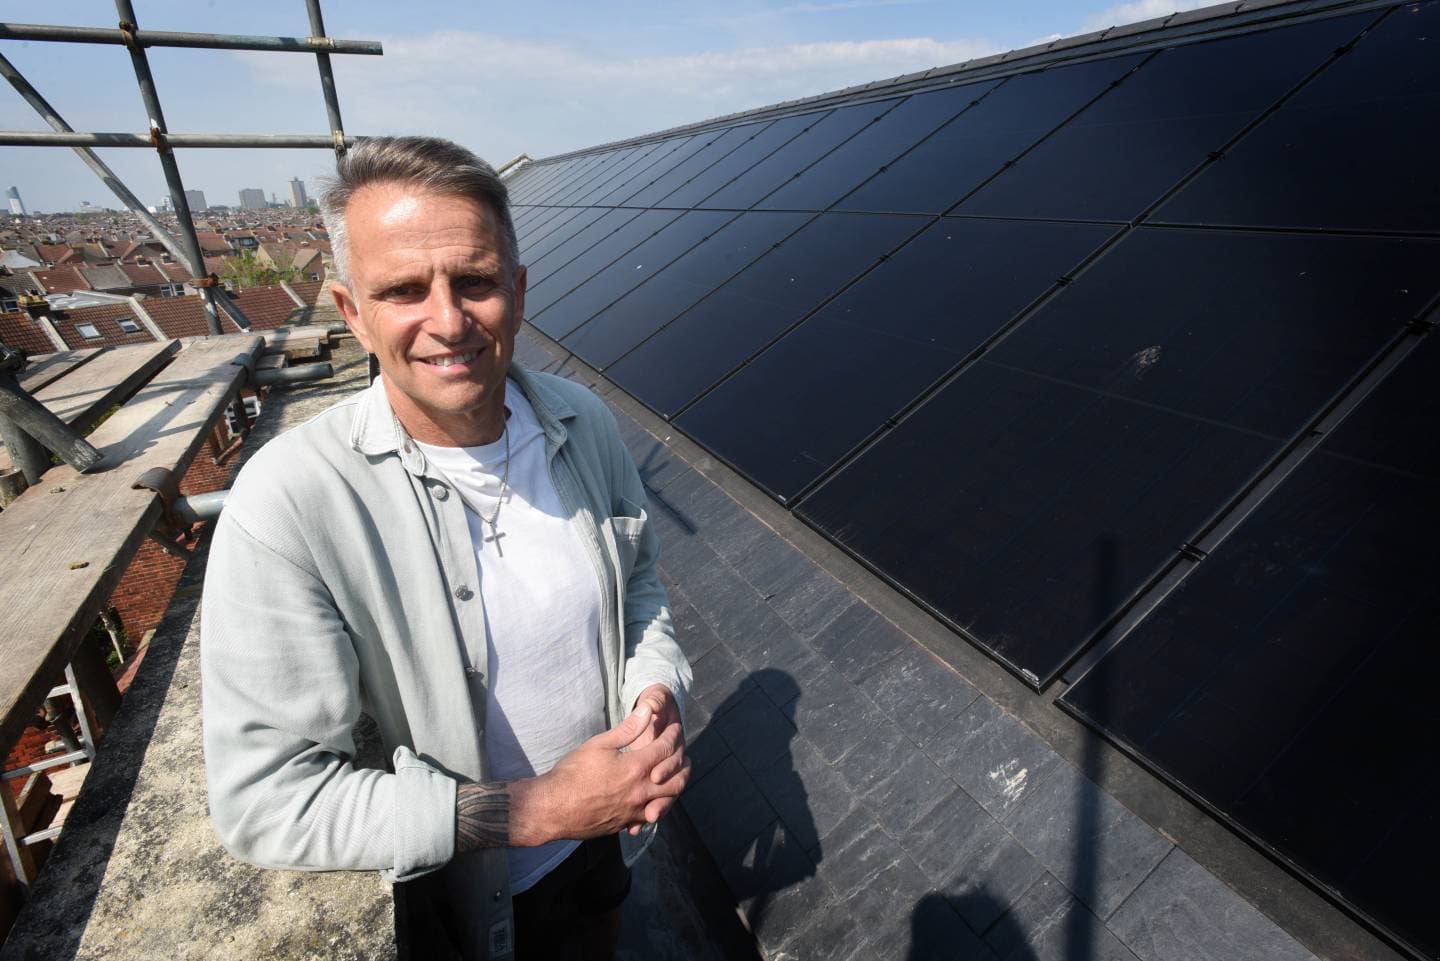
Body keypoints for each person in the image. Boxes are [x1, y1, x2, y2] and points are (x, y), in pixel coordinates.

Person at [200, 136, 691, 961]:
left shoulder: (584, 425)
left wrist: (654, 686)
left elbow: (638, 584)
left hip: (607, 844)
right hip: (472, 910)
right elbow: (265, 800)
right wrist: (535, 811)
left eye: (475, 280)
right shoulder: (290, 501)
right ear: (350, 311)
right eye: (402, 289)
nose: (449, 319)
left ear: (519, 290)